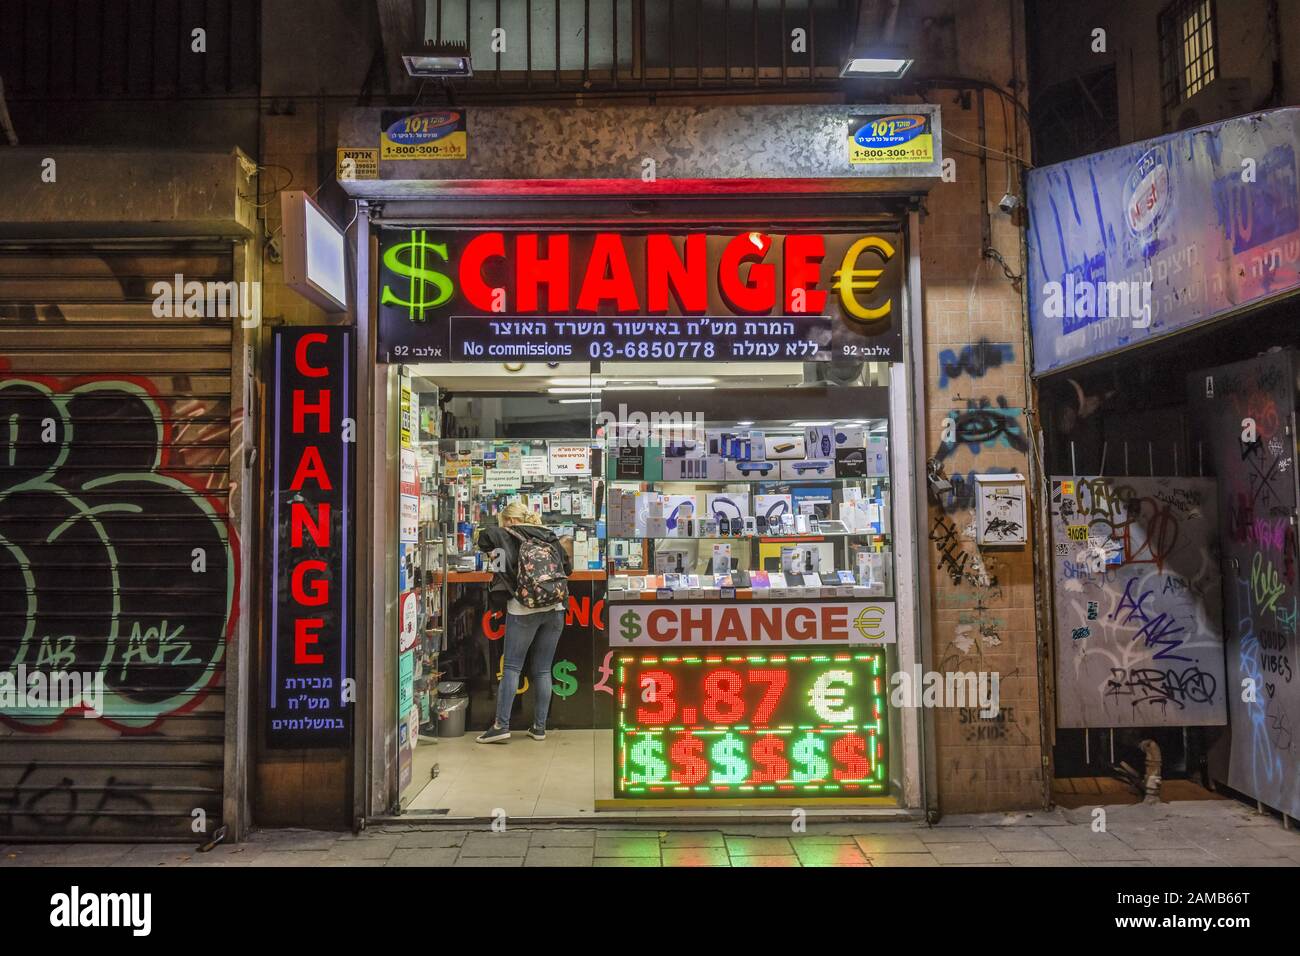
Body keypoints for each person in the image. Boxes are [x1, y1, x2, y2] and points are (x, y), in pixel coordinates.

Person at [474, 502, 572, 743]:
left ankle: (501, 725)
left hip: (523, 608)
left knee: (511, 668)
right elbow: (567, 568)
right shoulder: (548, 536)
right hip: (555, 608)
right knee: (542, 669)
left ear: (509, 521)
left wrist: (501, 539)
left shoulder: (504, 533)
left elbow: (483, 538)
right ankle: (539, 727)